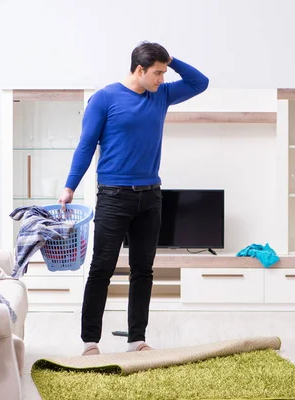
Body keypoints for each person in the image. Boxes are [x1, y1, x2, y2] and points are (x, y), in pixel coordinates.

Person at [59, 41, 209, 355]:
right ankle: (90, 342)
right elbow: (86, 146)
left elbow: (200, 82)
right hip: (114, 196)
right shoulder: (104, 98)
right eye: (157, 73)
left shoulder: (162, 95)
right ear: (139, 70)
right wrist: (70, 186)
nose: (162, 79)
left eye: (164, 72)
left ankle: (136, 339)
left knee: (143, 270)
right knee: (102, 268)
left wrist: (172, 60)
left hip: (151, 196)